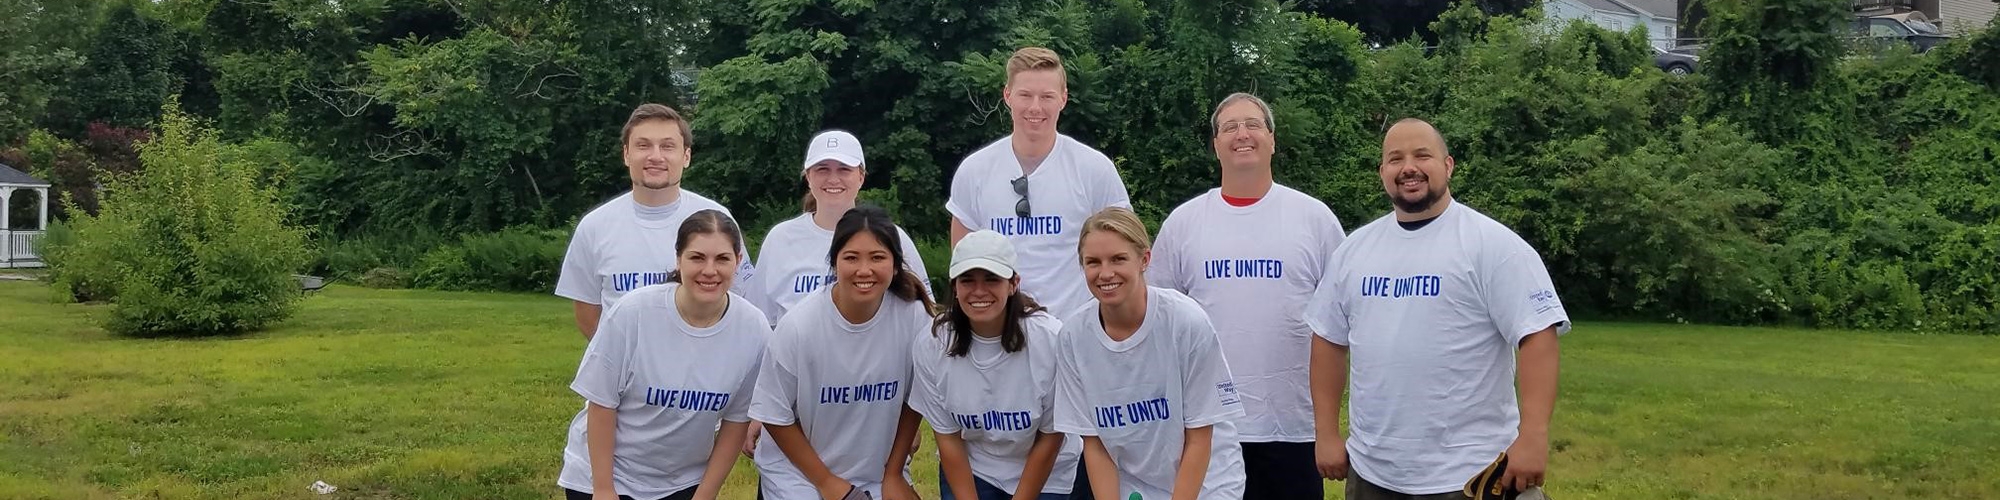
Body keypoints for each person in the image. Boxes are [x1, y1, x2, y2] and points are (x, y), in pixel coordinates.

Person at [1305, 118, 1569, 500]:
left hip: (1472, 473)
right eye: (1395, 159)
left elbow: (1537, 336)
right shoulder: (1354, 250)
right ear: (1382, 173)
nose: (1408, 167)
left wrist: (1533, 436)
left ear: (1447, 166)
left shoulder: (1492, 245)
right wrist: (1326, 432)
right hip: (1373, 473)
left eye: (1422, 155)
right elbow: (1327, 340)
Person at [1149, 92, 1346, 499]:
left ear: (1272, 139)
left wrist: (1326, 429)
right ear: (1216, 144)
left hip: (1290, 428)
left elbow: (1340, 326)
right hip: (1206, 428)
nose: (1243, 134)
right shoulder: (1184, 224)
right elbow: (1158, 324)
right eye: (1230, 127)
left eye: (1253, 124)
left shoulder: (1315, 220)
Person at [558, 209, 768, 500]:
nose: (710, 270)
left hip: (682, 482)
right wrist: (603, 489)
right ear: (678, 259)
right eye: (697, 257)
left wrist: (705, 494)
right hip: (606, 475)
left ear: (738, 262)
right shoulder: (633, 313)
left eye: (722, 259)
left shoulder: (754, 329)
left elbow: (736, 421)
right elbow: (602, 404)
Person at [1051, 207, 1247, 500]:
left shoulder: (1186, 322)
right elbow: (1095, 444)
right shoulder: (1073, 337)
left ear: (1144, 259)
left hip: (1207, 484)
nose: (1105, 273)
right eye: (1093, 262)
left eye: (1118, 259)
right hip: (1135, 486)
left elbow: (1199, 438)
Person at [750, 205, 935, 500]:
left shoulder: (913, 318)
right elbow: (774, 414)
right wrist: (827, 483)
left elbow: (915, 399)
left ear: (896, 264)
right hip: (800, 477)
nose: (864, 270)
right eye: (851, 258)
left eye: (877, 257)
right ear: (834, 263)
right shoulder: (800, 326)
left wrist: (894, 473)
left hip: (876, 473)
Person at [945, 46, 1131, 320]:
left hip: (1076, 332)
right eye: (1025, 95)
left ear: (1063, 99)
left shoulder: (1094, 169)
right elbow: (962, 264)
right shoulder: (974, 171)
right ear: (1007, 95)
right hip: (1001, 333)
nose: (1035, 107)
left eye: (1046, 96)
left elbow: (1126, 252)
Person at [557, 103, 753, 341]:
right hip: (624, 374)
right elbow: (587, 311)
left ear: (686, 156)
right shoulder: (594, 226)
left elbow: (741, 297)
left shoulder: (716, 218)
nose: (656, 156)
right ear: (626, 154)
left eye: (668, 146)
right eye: (643, 145)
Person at [910, 230, 1080, 500]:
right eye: (967, 280)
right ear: (955, 286)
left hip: (1049, 472)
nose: (979, 291)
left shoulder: (1050, 340)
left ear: (1013, 284)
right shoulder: (932, 344)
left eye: (992, 279)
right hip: (975, 468)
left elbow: (1050, 437)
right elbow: (949, 439)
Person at [746, 129, 931, 327]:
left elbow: (926, 316)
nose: (833, 179)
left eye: (844, 169)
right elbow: (759, 320)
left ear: (861, 177)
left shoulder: (892, 237)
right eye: (822, 169)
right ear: (808, 177)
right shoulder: (780, 239)